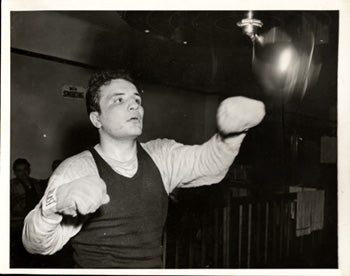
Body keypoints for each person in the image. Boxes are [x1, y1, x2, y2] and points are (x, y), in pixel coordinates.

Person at [22, 70, 265, 268]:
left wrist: (233, 133)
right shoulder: (76, 169)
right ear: (97, 119)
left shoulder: (161, 155)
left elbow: (209, 164)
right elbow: (35, 244)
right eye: (119, 100)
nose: (134, 106)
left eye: (137, 100)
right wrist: (54, 204)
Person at [10, 158, 45, 267]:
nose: (23, 173)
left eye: (25, 169)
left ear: (29, 170)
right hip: (19, 223)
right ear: (15, 172)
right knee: (21, 251)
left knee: (36, 249)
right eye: (19, 170)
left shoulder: (36, 183)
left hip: (36, 222)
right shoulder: (10, 185)